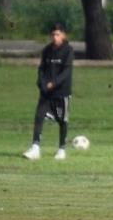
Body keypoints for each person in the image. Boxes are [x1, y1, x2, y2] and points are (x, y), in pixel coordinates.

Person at [23, 24, 74, 161]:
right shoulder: (47, 50)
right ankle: (35, 147)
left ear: (63, 35)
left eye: (57, 34)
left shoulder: (68, 50)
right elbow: (42, 69)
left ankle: (62, 149)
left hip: (61, 93)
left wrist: (54, 83)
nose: (55, 37)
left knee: (62, 120)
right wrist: (41, 82)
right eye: (53, 35)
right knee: (39, 116)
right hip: (46, 92)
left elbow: (66, 72)